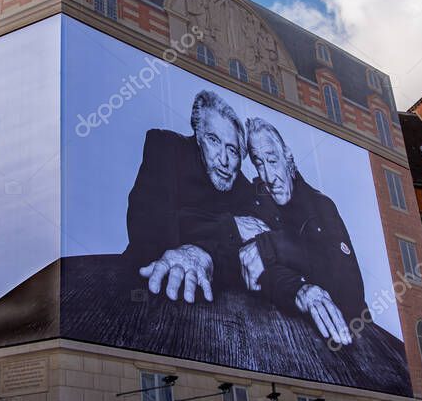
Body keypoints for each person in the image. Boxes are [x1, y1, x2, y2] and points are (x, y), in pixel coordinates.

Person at [124, 90, 276, 303]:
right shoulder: (166, 147)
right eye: (213, 140)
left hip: (218, 303)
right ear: (197, 135)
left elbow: (262, 250)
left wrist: (207, 255)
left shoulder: (243, 187)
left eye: (232, 150)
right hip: (142, 287)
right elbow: (149, 226)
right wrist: (229, 227)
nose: (224, 159)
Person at [240, 117, 366, 346]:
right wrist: (298, 288)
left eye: (272, 160)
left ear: (288, 159)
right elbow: (259, 273)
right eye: (259, 163)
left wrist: (273, 246)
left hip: (351, 338)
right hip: (284, 335)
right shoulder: (256, 200)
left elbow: (351, 291)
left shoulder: (322, 206)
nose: (268, 177)